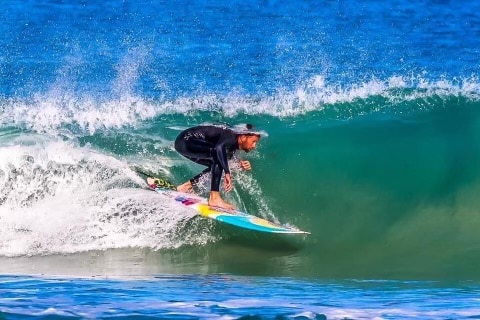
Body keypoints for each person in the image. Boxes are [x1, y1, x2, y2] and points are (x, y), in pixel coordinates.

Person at [174, 124, 266, 210]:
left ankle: (186, 186)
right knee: (217, 156)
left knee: (217, 162)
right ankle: (214, 198)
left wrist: (239, 163)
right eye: (253, 142)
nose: (254, 146)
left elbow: (224, 157)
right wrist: (227, 172)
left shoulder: (231, 144)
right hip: (186, 141)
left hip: (184, 144)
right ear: (243, 137)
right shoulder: (231, 135)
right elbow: (219, 149)